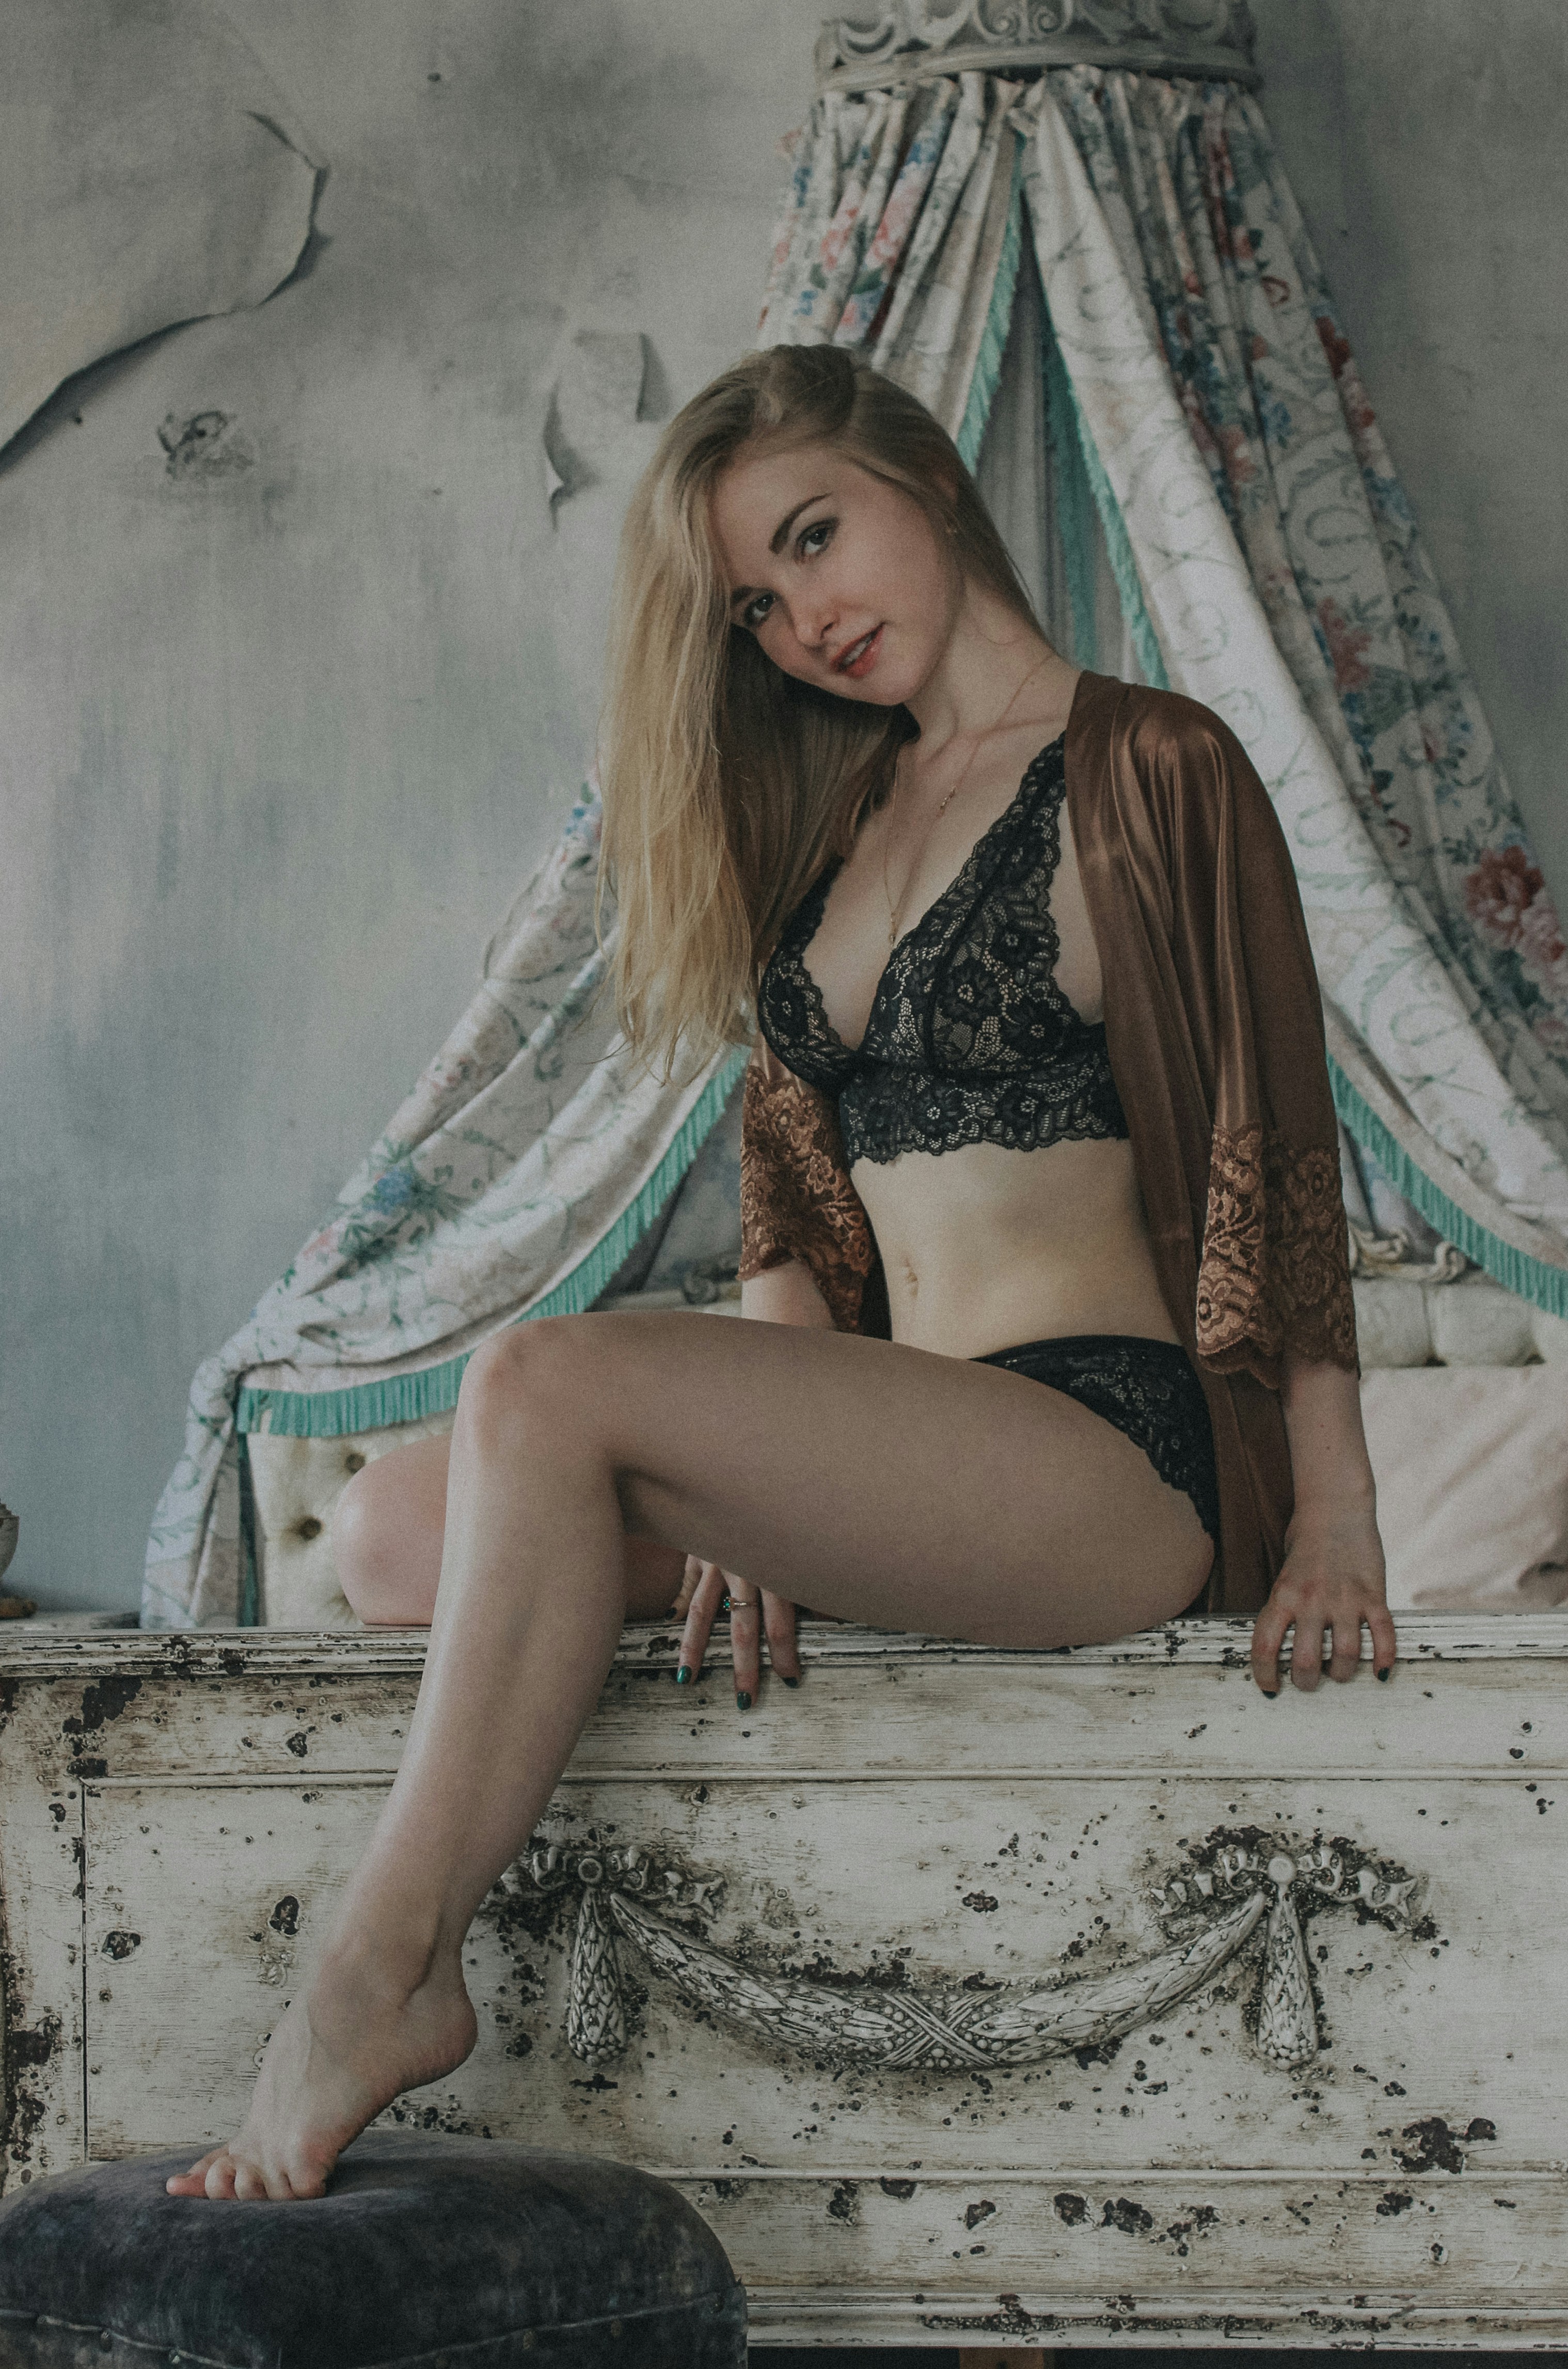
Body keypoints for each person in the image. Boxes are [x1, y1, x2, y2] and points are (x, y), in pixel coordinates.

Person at [169, 345, 1392, 2204]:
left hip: (1106, 1457)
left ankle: (378, 1973)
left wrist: (1336, 1514)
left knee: (536, 1387)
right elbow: (791, 1209)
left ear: (922, 478)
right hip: (895, 1462)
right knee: (390, 1541)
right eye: (758, 600)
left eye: (815, 539)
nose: (806, 617)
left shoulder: (1154, 764)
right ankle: (414, 1949)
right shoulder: (833, 829)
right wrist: (759, 1478)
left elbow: (1275, 1144)